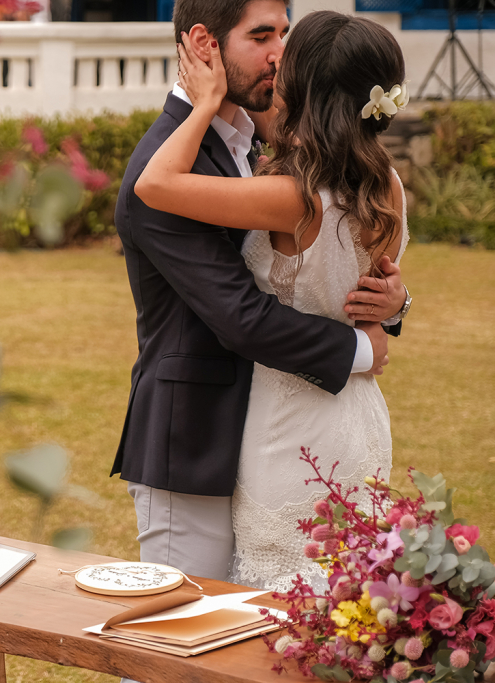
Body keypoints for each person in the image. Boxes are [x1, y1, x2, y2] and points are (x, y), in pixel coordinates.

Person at [110, 0, 411, 591]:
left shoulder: (270, 142)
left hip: (284, 430)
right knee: (177, 634)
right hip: (193, 438)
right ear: (205, 45)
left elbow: (339, 264)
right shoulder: (171, 158)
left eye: (286, 36)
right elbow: (242, 318)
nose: (279, 53)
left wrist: (395, 304)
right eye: (262, 35)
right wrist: (361, 347)